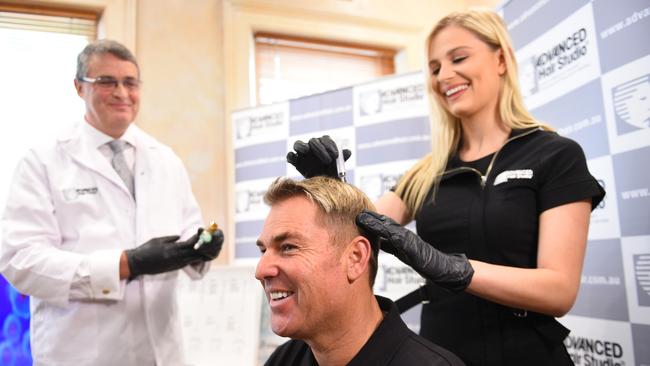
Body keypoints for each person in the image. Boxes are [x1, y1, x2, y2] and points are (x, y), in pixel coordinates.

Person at [287, 9, 605, 366]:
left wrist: (456, 269)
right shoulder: (427, 172)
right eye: (435, 67)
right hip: (442, 355)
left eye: (459, 58)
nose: (445, 75)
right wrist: (331, 184)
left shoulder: (554, 155)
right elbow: (359, 227)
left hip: (526, 354)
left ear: (500, 58)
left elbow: (559, 290)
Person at [0, 39, 223, 366]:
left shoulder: (165, 160)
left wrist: (201, 247)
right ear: (79, 88)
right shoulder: (43, 162)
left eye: (130, 82)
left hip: (161, 352)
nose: (122, 93)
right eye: (107, 82)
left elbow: (188, 229)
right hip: (80, 354)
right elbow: (20, 260)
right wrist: (124, 264)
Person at [256, 176, 465, 366]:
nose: (261, 270)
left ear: (355, 258)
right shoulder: (284, 360)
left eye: (288, 247)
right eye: (263, 250)